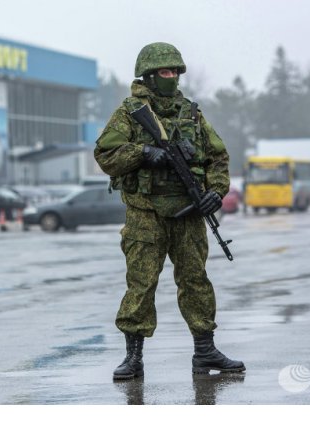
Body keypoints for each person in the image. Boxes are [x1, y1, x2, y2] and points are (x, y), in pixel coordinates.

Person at [95, 42, 245, 380]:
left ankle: (205, 351)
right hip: (145, 214)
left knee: (196, 282)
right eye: (165, 72)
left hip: (188, 213)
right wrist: (144, 153)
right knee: (141, 285)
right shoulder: (130, 111)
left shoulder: (191, 112)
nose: (172, 77)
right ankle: (133, 358)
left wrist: (215, 193)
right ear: (149, 75)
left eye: (176, 71)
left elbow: (217, 156)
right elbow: (106, 156)